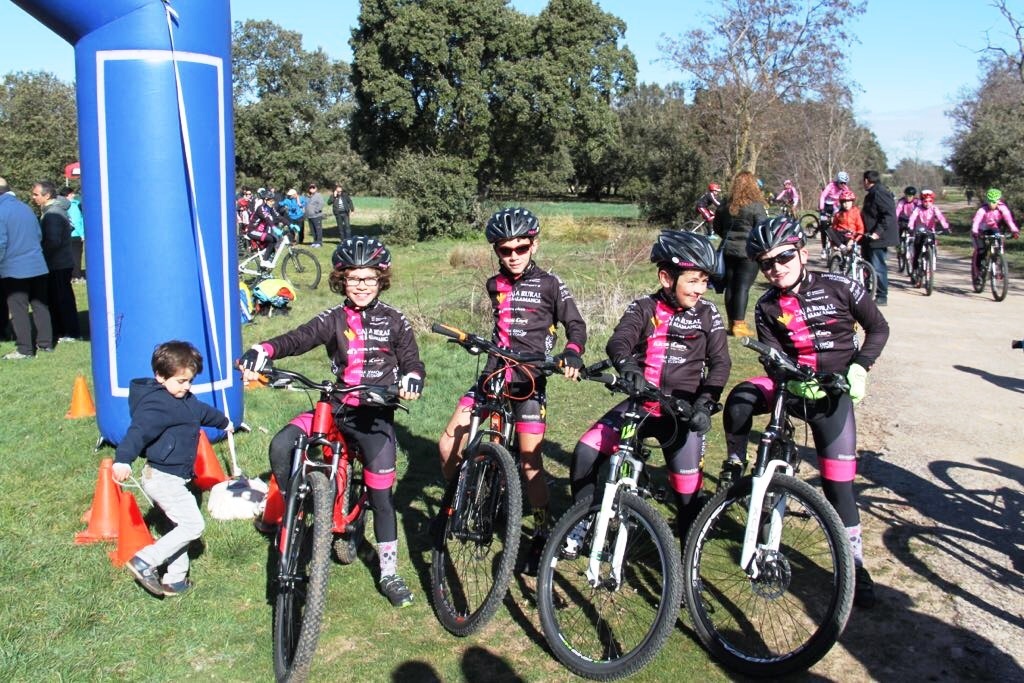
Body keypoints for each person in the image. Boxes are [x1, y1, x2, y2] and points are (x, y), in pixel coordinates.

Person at [241, 236, 424, 607]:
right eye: (354, 278)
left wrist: (412, 378)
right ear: (342, 280)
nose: (361, 286)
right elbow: (300, 337)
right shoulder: (334, 318)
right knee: (282, 444)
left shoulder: (395, 321)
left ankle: (389, 572)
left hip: (374, 416)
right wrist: (265, 349)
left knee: (381, 497)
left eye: (369, 278)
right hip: (335, 408)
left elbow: (412, 361)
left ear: (381, 279)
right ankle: (297, 511)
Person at [722, 216, 889, 608]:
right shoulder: (765, 305)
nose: (776, 268)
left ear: (802, 252)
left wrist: (860, 367)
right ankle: (735, 467)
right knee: (741, 398)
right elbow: (770, 357)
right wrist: (787, 377)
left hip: (834, 394)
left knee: (838, 488)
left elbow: (878, 329)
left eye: (783, 257)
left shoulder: (841, 286)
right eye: (766, 263)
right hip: (792, 389)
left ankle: (855, 567)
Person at [436, 207, 587, 576]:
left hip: (529, 381)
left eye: (521, 247)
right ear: (497, 251)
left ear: (534, 245)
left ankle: (542, 531)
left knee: (531, 464)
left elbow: (575, 325)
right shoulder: (494, 285)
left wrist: (572, 353)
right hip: (493, 375)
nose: (514, 255)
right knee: (447, 444)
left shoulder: (551, 284)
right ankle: (463, 498)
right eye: (506, 250)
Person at [569, 231, 731, 544]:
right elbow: (619, 341)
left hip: (683, 413)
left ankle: (686, 561)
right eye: (693, 281)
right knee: (585, 452)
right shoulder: (644, 307)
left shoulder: (708, 313)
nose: (700, 289)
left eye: (704, 281)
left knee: (687, 499)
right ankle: (582, 524)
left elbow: (721, 364)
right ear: (666, 278)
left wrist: (706, 403)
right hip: (641, 405)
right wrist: (628, 367)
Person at [112, 340, 233, 597]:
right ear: (160, 376)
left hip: (176, 478)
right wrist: (122, 459)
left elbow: (202, 412)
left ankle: (175, 579)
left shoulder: (185, 399)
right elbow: (137, 433)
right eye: (181, 381)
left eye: (190, 381)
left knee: (181, 527)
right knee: (193, 525)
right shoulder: (156, 405)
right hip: (161, 477)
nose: (186, 386)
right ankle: (144, 561)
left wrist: (224, 422)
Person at [0, 178, 52, 359]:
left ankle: (24, 349)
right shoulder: (25, 208)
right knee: (40, 306)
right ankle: (45, 343)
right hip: (37, 265)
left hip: (15, 269)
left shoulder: (2, 210)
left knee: (18, 310)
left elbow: (1, 242)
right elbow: (38, 234)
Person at [712, 170, 767, 337]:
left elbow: (717, 227)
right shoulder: (756, 206)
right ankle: (739, 324)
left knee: (730, 286)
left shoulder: (725, 205)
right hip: (748, 252)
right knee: (742, 287)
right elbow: (762, 228)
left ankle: (731, 323)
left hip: (728, 250)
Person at [31, 181, 79, 342]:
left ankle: (70, 332)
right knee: (59, 297)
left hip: (58, 263)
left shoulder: (53, 214)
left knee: (62, 299)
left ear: (47, 195)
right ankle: (63, 330)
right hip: (60, 262)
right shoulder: (53, 210)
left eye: (36, 194)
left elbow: (53, 241)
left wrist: (41, 256)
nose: (33, 197)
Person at [971, 188, 1020, 286]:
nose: (992, 204)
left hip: (993, 228)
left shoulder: (1003, 208)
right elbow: (976, 222)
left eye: (994, 202)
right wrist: (975, 231)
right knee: (981, 251)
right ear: (987, 201)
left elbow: (1009, 220)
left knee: (998, 238)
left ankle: (999, 262)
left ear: (998, 201)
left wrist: (1014, 230)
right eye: (990, 201)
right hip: (981, 229)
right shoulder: (982, 209)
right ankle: (978, 273)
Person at [907, 189, 949, 284]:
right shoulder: (918, 209)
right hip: (919, 231)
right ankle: (915, 269)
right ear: (922, 201)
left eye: (930, 201)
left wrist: (945, 227)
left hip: (930, 231)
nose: (927, 203)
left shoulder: (934, 208)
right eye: (925, 201)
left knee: (933, 247)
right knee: (917, 252)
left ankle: (931, 262)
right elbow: (912, 218)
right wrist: (910, 227)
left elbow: (940, 217)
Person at [818, 171, 850, 257]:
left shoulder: (845, 188)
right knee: (824, 226)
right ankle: (823, 248)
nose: (843, 184)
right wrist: (821, 209)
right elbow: (822, 196)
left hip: (835, 207)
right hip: (825, 206)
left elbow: (848, 197)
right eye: (841, 182)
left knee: (839, 224)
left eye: (845, 183)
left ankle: (837, 242)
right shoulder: (831, 186)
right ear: (838, 181)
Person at [824, 188, 865, 253]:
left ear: (852, 202)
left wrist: (853, 240)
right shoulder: (838, 214)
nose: (846, 204)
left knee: (851, 252)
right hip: (840, 236)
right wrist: (833, 243)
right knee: (828, 229)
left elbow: (860, 229)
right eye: (844, 202)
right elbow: (834, 228)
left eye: (848, 202)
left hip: (851, 236)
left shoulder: (856, 213)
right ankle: (840, 246)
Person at [58, 186, 85, 282]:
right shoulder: (73, 205)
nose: (74, 195)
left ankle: (69, 275)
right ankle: (76, 276)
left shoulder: (58, 205)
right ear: (69, 195)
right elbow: (76, 221)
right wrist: (82, 234)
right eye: (72, 194)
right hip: (75, 234)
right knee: (76, 255)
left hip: (64, 234)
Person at [246, 190, 280, 266]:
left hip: (261, 231)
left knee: (272, 246)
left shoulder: (270, 208)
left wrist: (290, 224)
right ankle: (264, 261)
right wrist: (274, 227)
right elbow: (267, 219)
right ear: (265, 200)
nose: (273, 202)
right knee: (272, 239)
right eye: (271, 201)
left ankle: (264, 269)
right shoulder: (261, 208)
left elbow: (278, 217)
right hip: (253, 231)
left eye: (273, 201)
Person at [895, 186, 919, 253]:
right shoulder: (902, 202)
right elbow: (897, 211)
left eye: (910, 196)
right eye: (906, 195)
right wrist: (895, 220)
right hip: (902, 220)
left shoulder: (917, 202)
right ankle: (898, 247)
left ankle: (914, 247)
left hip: (913, 221)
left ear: (913, 196)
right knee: (898, 232)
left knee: (914, 234)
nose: (908, 197)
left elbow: (920, 211)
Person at [304, 183, 325, 248]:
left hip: (316, 216)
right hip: (309, 216)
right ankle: (315, 242)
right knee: (313, 230)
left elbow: (321, 203)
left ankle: (319, 242)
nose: (312, 189)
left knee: (318, 229)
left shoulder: (318, 195)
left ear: (316, 188)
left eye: (313, 187)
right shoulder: (308, 196)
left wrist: (316, 210)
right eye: (310, 188)